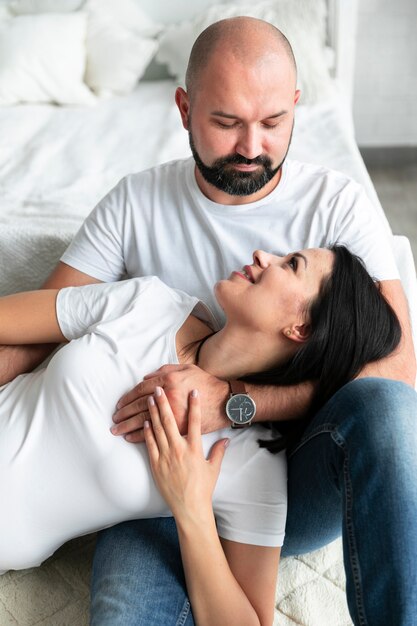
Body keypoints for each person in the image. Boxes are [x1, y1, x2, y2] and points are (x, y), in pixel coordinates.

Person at [0, 16, 416, 626]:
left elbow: (397, 372)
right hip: (146, 488)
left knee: (387, 412)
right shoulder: (138, 220)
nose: (252, 146)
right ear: (185, 108)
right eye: (226, 122)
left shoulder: (337, 206)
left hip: (276, 469)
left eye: (274, 122)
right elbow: (39, 334)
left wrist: (233, 405)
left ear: (297, 105)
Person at [0, 245, 399, 625]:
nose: (263, 255)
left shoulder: (250, 461)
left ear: (302, 327)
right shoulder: (151, 303)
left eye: (292, 264)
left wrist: (191, 509)